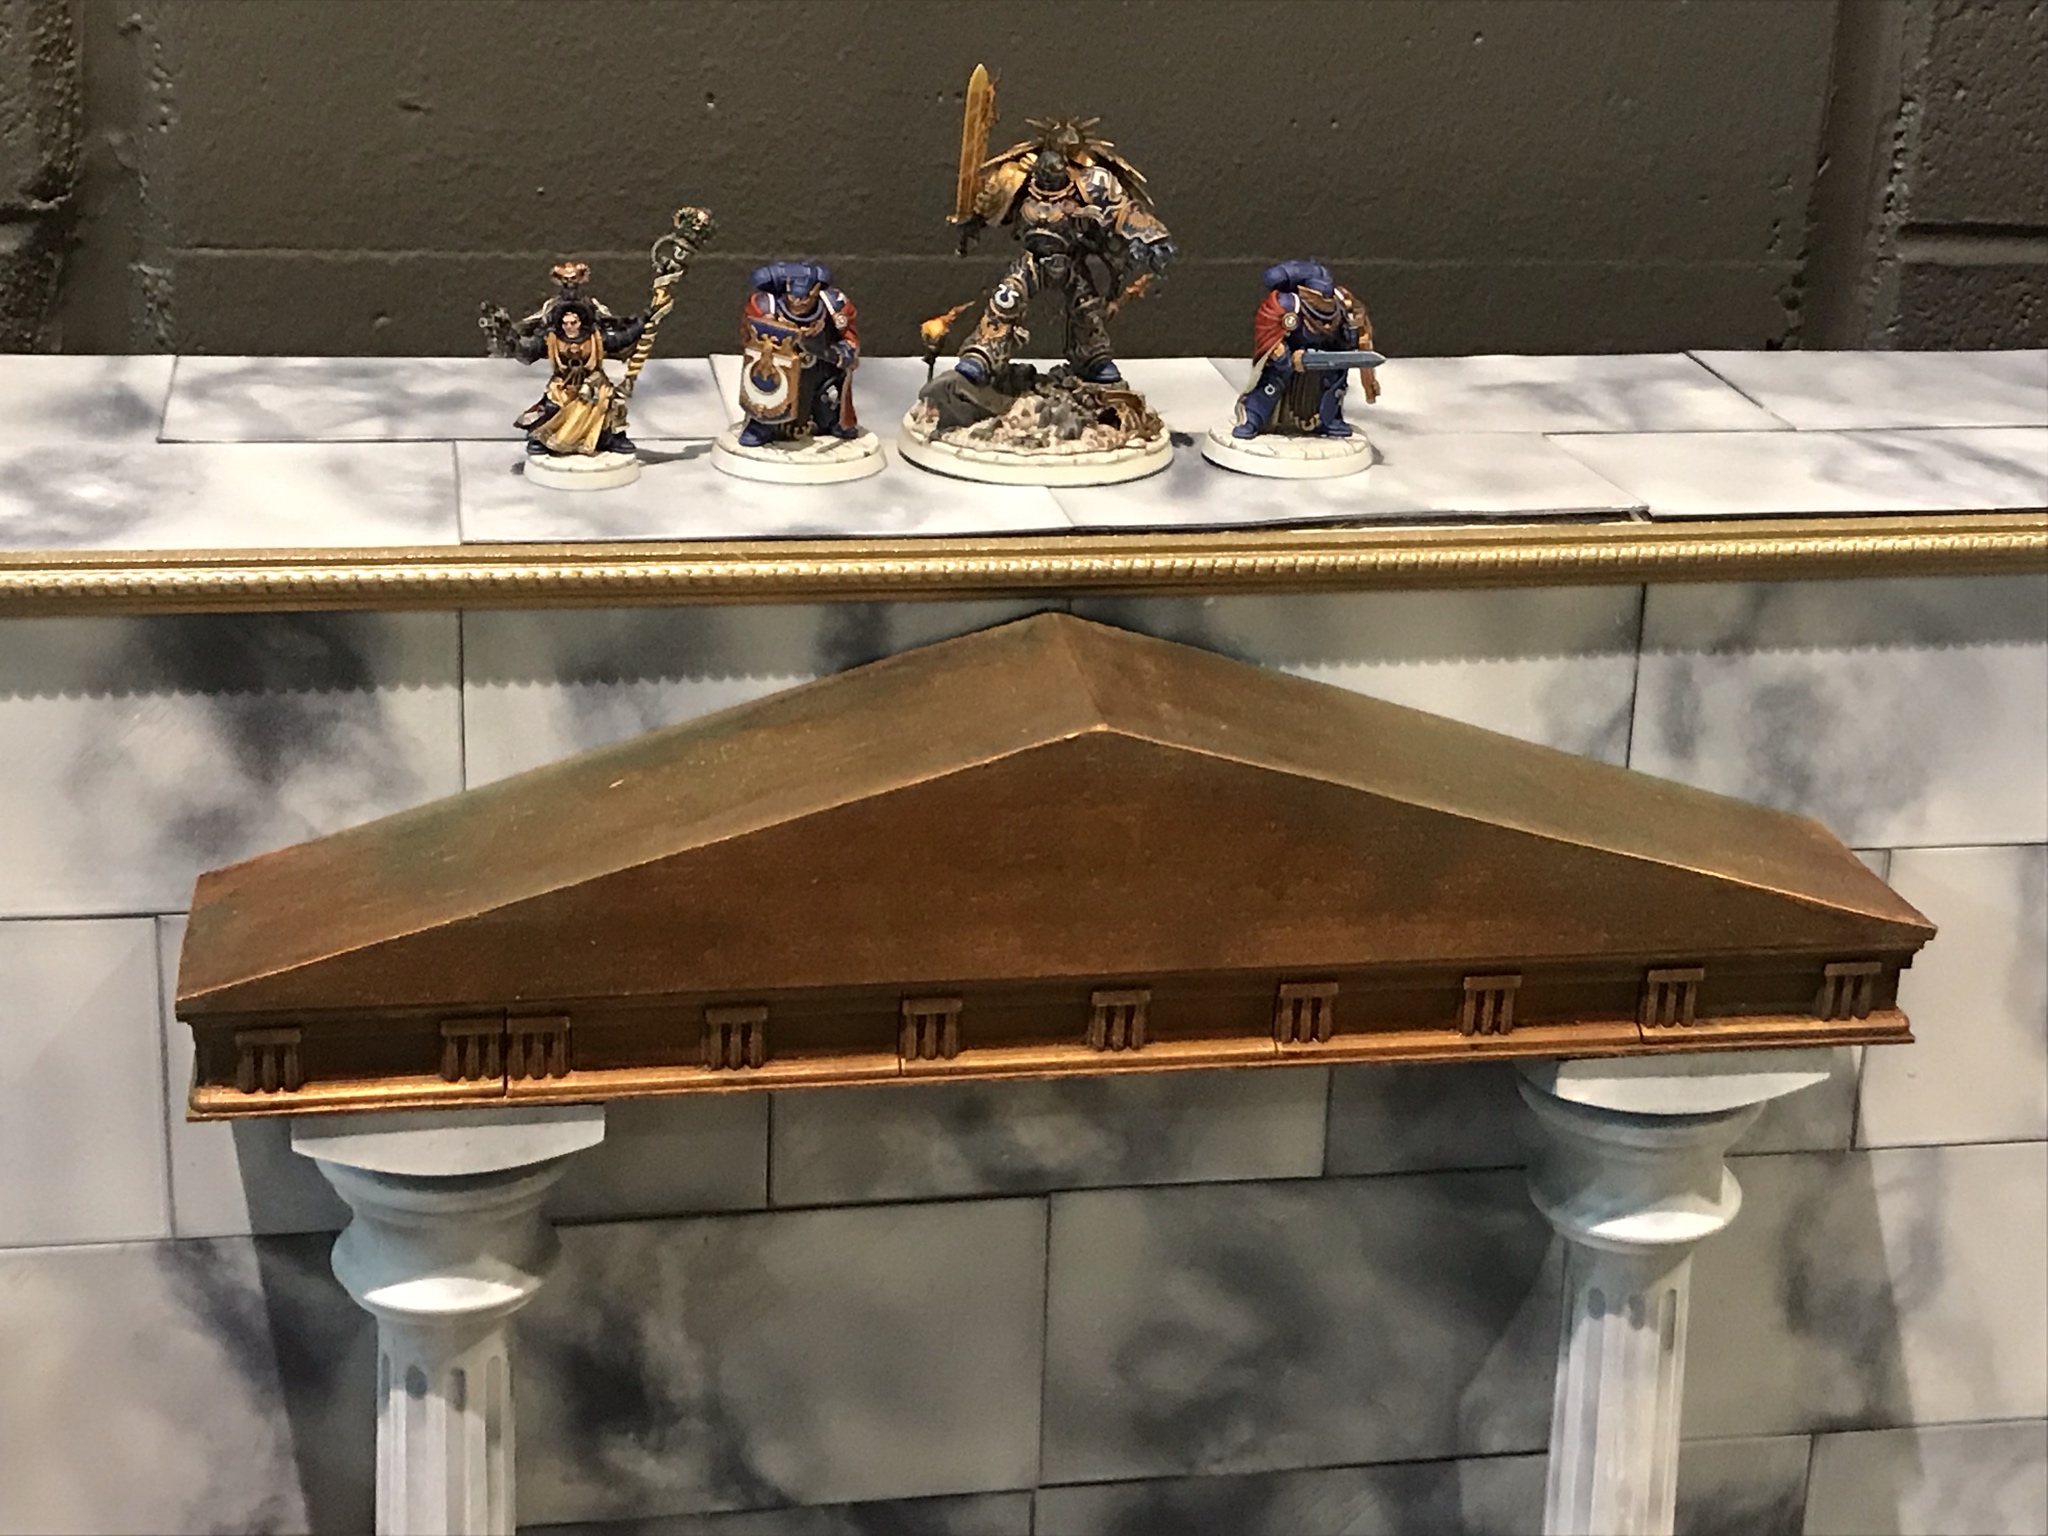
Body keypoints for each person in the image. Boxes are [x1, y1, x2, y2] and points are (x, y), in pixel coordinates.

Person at [1232, 260, 1378, 440]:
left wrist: (1350, 338)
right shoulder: (1287, 304)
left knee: (1335, 378)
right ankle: (1253, 418)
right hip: (1290, 357)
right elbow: (1269, 330)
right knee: (1275, 379)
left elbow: (1348, 336)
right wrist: (1280, 352)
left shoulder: (1342, 303)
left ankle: (1330, 419)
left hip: (1323, 356)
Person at [735, 261, 861, 446]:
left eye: (806, 298)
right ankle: (762, 425)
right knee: (769, 399)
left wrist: (841, 353)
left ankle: (833, 422)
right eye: (793, 297)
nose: (798, 303)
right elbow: (750, 339)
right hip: (779, 369)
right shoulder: (767, 306)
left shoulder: (833, 306)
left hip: (820, 368)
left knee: (829, 407)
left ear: (816, 291)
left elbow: (849, 340)